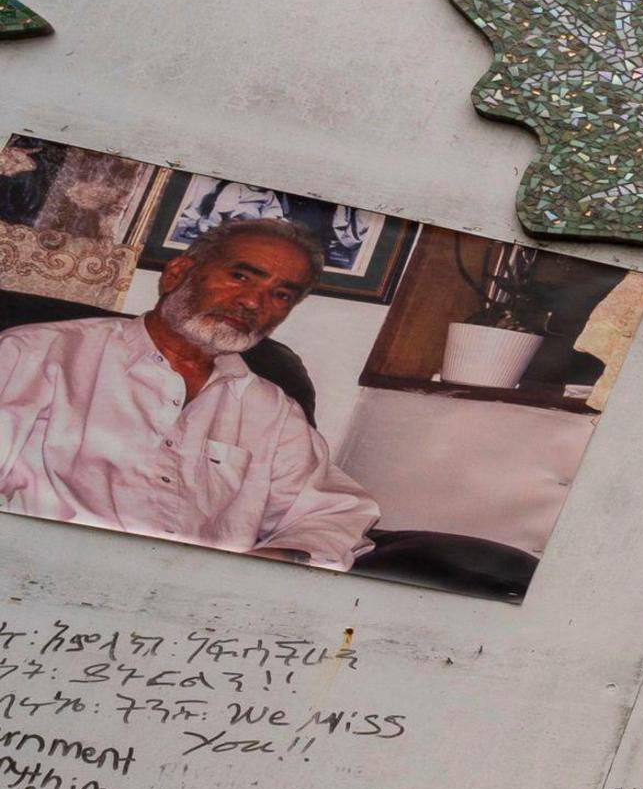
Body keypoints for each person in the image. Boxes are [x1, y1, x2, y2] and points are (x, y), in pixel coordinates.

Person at [0, 217, 381, 565]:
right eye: (241, 276)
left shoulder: (272, 411)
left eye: (281, 295)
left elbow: (335, 513)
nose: (253, 302)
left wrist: (275, 563)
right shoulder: (38, 354)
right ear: (177, 273)